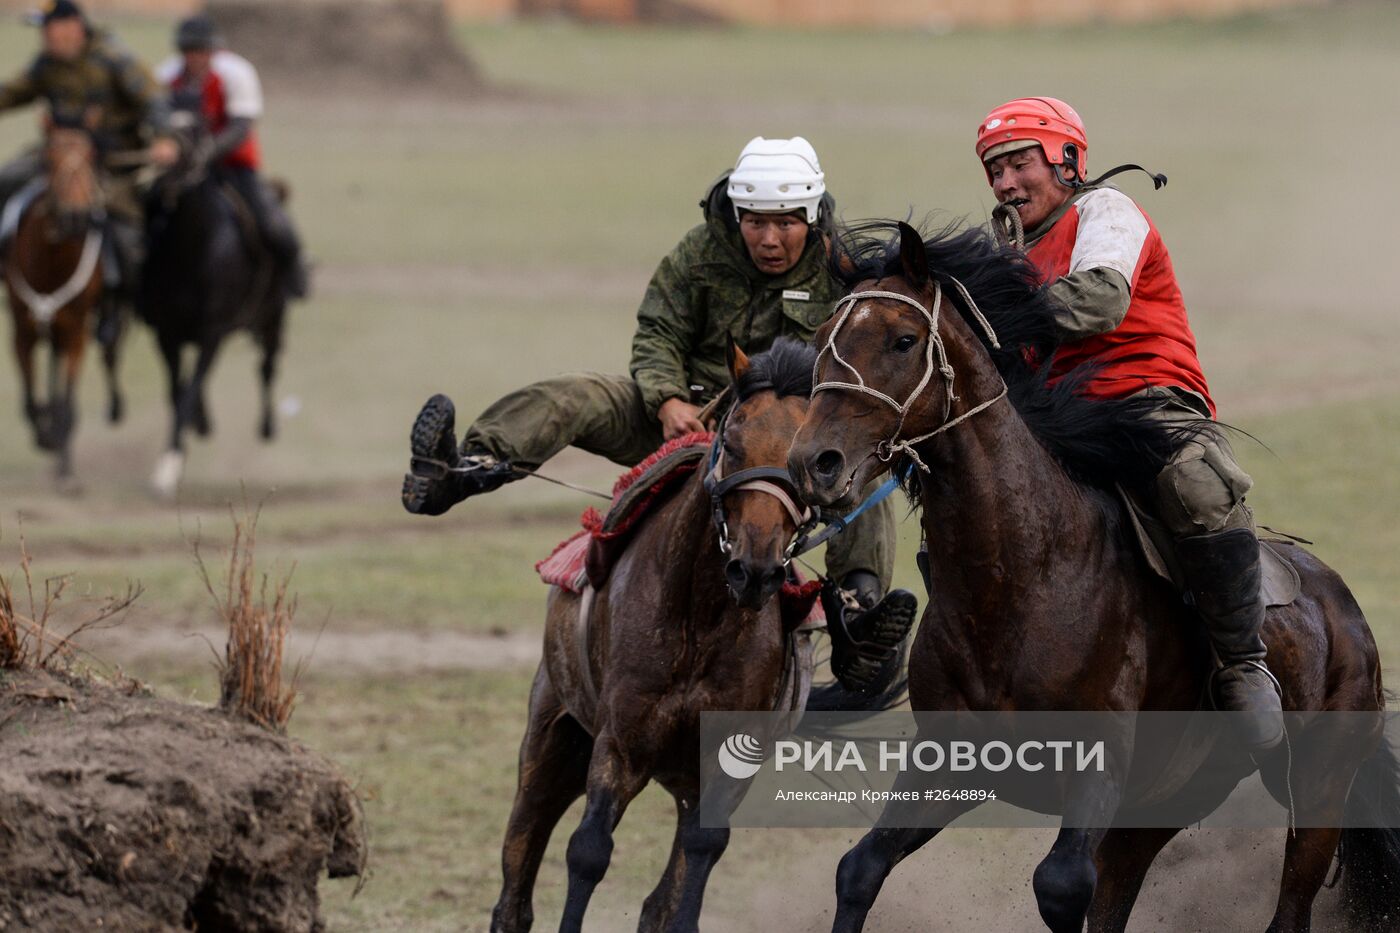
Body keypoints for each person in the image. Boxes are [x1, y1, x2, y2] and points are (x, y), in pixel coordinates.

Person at [402, 136, 911, 693]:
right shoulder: (700, 253)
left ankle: (857, 616)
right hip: (687, 420)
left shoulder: (843, 273)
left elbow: (862, 358)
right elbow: (657, 332)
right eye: (755, 222)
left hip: (789, 440)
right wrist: (668, 399)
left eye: (786, 223)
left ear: (811, 218)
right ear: (737, 216)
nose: (769, 238)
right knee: (577, 394)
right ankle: (463, 469)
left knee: (862, 473)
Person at [976, 96, 1282, 751]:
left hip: (1147, 397)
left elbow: (1100, 300)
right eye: (993, 169)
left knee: (1198, 488)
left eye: (1018, 163)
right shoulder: (1006, 248)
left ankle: (1243, 663)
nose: (1004, 182)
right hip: (1056, 416)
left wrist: (994, 311)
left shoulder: (1105, 210)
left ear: (1065, 158)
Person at [0, 0, 176, 345]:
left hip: (112, 162)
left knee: (124, 230)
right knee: (6, 180)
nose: (45, 37)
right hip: (57, 157)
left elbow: (154, 100)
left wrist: (165, 138)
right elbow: (12, 93)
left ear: (72, 26)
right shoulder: (46, 64)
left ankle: (116, 301)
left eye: (49, 28)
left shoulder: (114, 59)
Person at [155, 15, 308, 299]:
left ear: (213, 50)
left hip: (233, 166)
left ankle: (293, 272)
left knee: (270, 221)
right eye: (188, 51)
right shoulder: (166, 76)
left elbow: (241, 125)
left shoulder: (236, 73)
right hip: (181, 168)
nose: (194, 57)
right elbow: (157, 120)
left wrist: (208, 150)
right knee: (146, 214)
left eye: (200, 50)